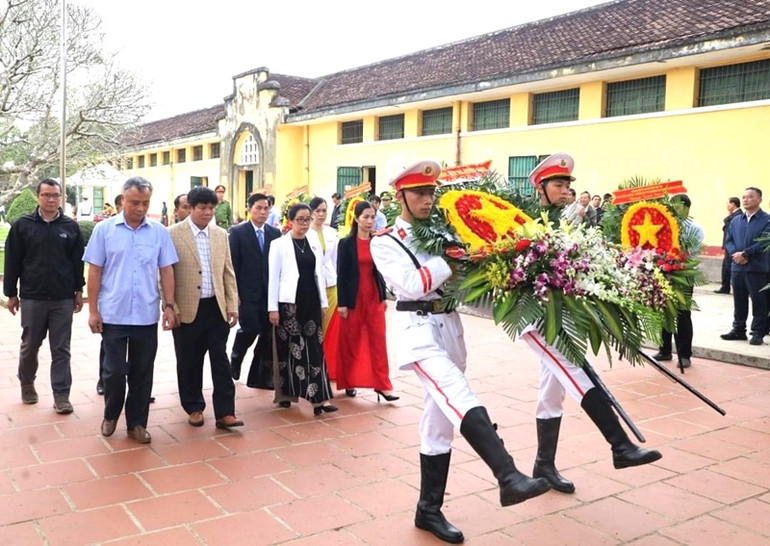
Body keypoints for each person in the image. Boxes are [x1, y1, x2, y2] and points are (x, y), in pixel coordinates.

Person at [370, 160, 550, 544]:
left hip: (450, 328)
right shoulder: (385, 240)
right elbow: (412, 284)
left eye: (430, 192)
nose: (426, 199)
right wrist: (450, 258)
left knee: (439, 423)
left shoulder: (442, 232)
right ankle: (508, 475)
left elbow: (466, 286)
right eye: (418, 192)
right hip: (417, 331)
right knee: (458, 394)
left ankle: (428, 509)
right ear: (399, 195)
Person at [522, 153, 662, 496]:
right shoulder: (526, 222)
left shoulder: (571, 224)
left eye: (568, 184)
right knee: (575, 373)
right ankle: (620, 446)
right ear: (541, 188)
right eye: (558, 184)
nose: (566, 189)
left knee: (551, 392)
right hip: (536, 319)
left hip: (564, 317)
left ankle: (544, 464)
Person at [84, 177, 178, 444]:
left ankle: (137, 423)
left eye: (145, 203)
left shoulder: (159, 231)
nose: (140, 208)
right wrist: (93, 310)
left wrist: (168, 305)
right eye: (135, 202)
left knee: (142, 372)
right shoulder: (105, 231)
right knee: (113, 371)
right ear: (123, 200)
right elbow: (95, 271)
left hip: (146, 314)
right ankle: (111, 413)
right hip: (113, 312)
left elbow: (166, 269)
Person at [3, 179, 84, 413]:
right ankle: (27, 382)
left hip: (62, 298)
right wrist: (11, 294)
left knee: (61, 348)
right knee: (30, 345)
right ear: (38, 196)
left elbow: (77, 263)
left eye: (56, 195)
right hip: (33, 297)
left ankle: (61, 395)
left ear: (61, 198)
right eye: (47, 195)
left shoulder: (70, 227)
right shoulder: (22, 226)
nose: (51, 199)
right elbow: (12, 261)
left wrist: (79, 290)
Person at [167, 186, 243, 429]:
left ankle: (225, 412)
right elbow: (165, 275)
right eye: (203, 208)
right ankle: (194, 407)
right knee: (189, 361)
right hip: (188, 310)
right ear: (190, 208)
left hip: (216, 308)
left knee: (220, 360)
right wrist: (171, 306)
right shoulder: (173, 234)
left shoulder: (221, 235)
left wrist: (232, 305)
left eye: (212, 208)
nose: (208, 213)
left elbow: (228, 272)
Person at [267, 203, 336, 415]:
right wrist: (272, 308)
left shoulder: (313, 241)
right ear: (291, 221)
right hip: (288, 304)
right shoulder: (279, 244)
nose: (305, 224)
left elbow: (320, 274)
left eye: (308, 219)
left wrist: (323, 302)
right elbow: (273, 278)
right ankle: (287, 394)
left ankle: (319, 398)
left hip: (311, 300)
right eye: (300, 220)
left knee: (315, 348)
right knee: (291, 350)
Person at [335, 201, 397, 401]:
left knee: (378, 342)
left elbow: (380, 271)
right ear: (356, 218)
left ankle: (383, 385)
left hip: (373, 298)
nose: (370, 221)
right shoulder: (345, 244)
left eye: (373, 217)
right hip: (353, 299)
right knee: (350, 341)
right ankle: (349, 381)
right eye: (366, 217)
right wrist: (342, 303)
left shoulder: (377, 242)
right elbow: (341, 275)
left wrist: (382, 296)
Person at [229, 193, 281, 382]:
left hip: (269, 293)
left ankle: (261, 375)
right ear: (249, 209)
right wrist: (235, 294)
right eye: (258, 208)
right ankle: (235, 359)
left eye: (266, 208)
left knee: (268, 333)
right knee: (249, 329)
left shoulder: (275, 234)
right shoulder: (237, 232)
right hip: (247, 292)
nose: (262, 212)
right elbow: (232, 265)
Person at [652, 194, 704, 369]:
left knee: (682, 314)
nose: (673, 209)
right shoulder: (664, 226)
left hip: (683, 275)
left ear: (687, 207)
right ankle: (665, 350)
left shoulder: (694, 228)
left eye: (678, 206)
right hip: (663, 273)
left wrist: (675, 259)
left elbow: (693, 252)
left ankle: (684, 354)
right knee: (663, 312)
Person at [721, 187, 770, 345]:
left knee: (759, 301)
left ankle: (757, 332)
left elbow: (765, 242)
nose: (745, 199)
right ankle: (738, 329)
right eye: (744, 197)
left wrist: (746, 254)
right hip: (737, 267)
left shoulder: (767, 220)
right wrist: (736, 254)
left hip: (757, 268)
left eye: (750, 197)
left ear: (759, 199)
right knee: (739, 300)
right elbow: (729, 241)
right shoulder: (736, 220)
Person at [306, 197, 340, 382]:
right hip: (312, 286)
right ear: (311, 212)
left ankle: (327, 364)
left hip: (332, 283)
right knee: (315, 324)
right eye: (317, 211)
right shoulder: (305, 233)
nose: (321, 214)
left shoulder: (332, 233)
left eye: (324, 211)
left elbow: (335, 260)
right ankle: (314, 363)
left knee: (330, 326)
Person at [715, 197, 742, 294]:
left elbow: (730, 228)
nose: (727, 206)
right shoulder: (733, 215)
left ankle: (730, 287)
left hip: (733, 246)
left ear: (733, 204)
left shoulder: (738, 215)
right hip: (729, 245)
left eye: (728, 203)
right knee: (726, 267)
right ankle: (725, 287)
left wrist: (728, 216)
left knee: (731, 267)